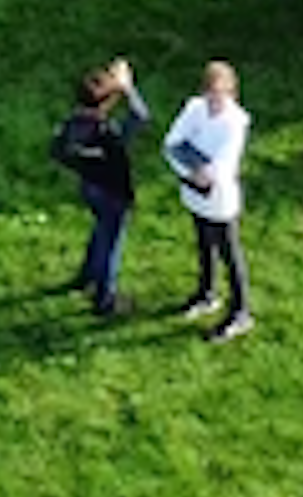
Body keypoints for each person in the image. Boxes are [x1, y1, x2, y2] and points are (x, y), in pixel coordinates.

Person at [51, 56, 150, 319]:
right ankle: (105, 298)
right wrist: (127, 87)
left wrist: (113, 84)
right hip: (114, 193)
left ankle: (86, 276)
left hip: (90, 186)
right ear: (108, 103)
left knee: (100, 231)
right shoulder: (109, 135)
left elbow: (57, 151)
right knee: (111, 243)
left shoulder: (71, 126)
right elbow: (140, 116)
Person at [163, 60, 253, 344]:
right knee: (203, 244)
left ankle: (241, 312)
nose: (215, 101)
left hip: (220, 200)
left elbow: (223, 166)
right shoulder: (194, 108)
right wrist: (195, 170)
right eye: (211, 94)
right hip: (195, 193)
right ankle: (207, 293)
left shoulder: (236, 122)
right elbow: (172, 142)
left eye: (221, 95)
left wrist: (196, 165)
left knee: (230, 254)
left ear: (232, 93)